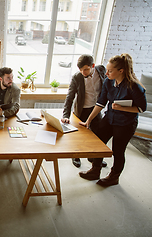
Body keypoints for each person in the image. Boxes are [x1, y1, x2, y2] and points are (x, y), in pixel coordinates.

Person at [79, 53, 147, 187]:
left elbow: (141, 108)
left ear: (120, 71)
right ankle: (95, 170)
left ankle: (114, 177)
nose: (107, 73)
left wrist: (122, 108)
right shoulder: (108, 82)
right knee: (99, 144)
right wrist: (88, 120)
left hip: (126, 124)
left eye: (110, 71)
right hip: (109, 118)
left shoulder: (134, 87)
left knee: (118, 150)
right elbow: (101, 102)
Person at [61, 54, 108, 168]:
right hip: (82, 109)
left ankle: (93, 157)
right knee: (78, 135)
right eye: (81, 70)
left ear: (93, 65)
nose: (83, 72)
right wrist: (66, 115)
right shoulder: (77, 77)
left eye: (86, 69)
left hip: (96, 108)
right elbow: (70, 96)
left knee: (97, 134)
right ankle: (76, 156)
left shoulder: (102, 70)